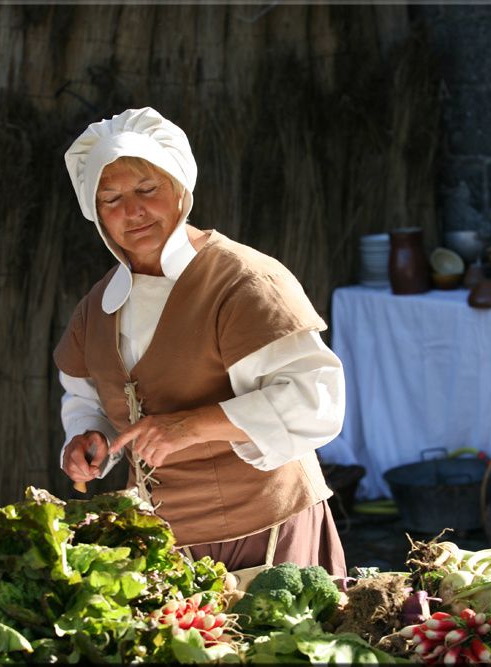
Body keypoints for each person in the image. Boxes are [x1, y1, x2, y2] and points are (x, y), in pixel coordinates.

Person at [55, 106, 348, 578]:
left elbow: (315, 401)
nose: (133, 211)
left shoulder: (243, 282)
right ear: (96, 214)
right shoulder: (97, 309)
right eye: (110, 198)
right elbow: (85, 396)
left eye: (148, 190)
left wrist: (188, 426)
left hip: (261, 531)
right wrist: (88, 438)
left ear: (180, 191)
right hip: (159, 543)